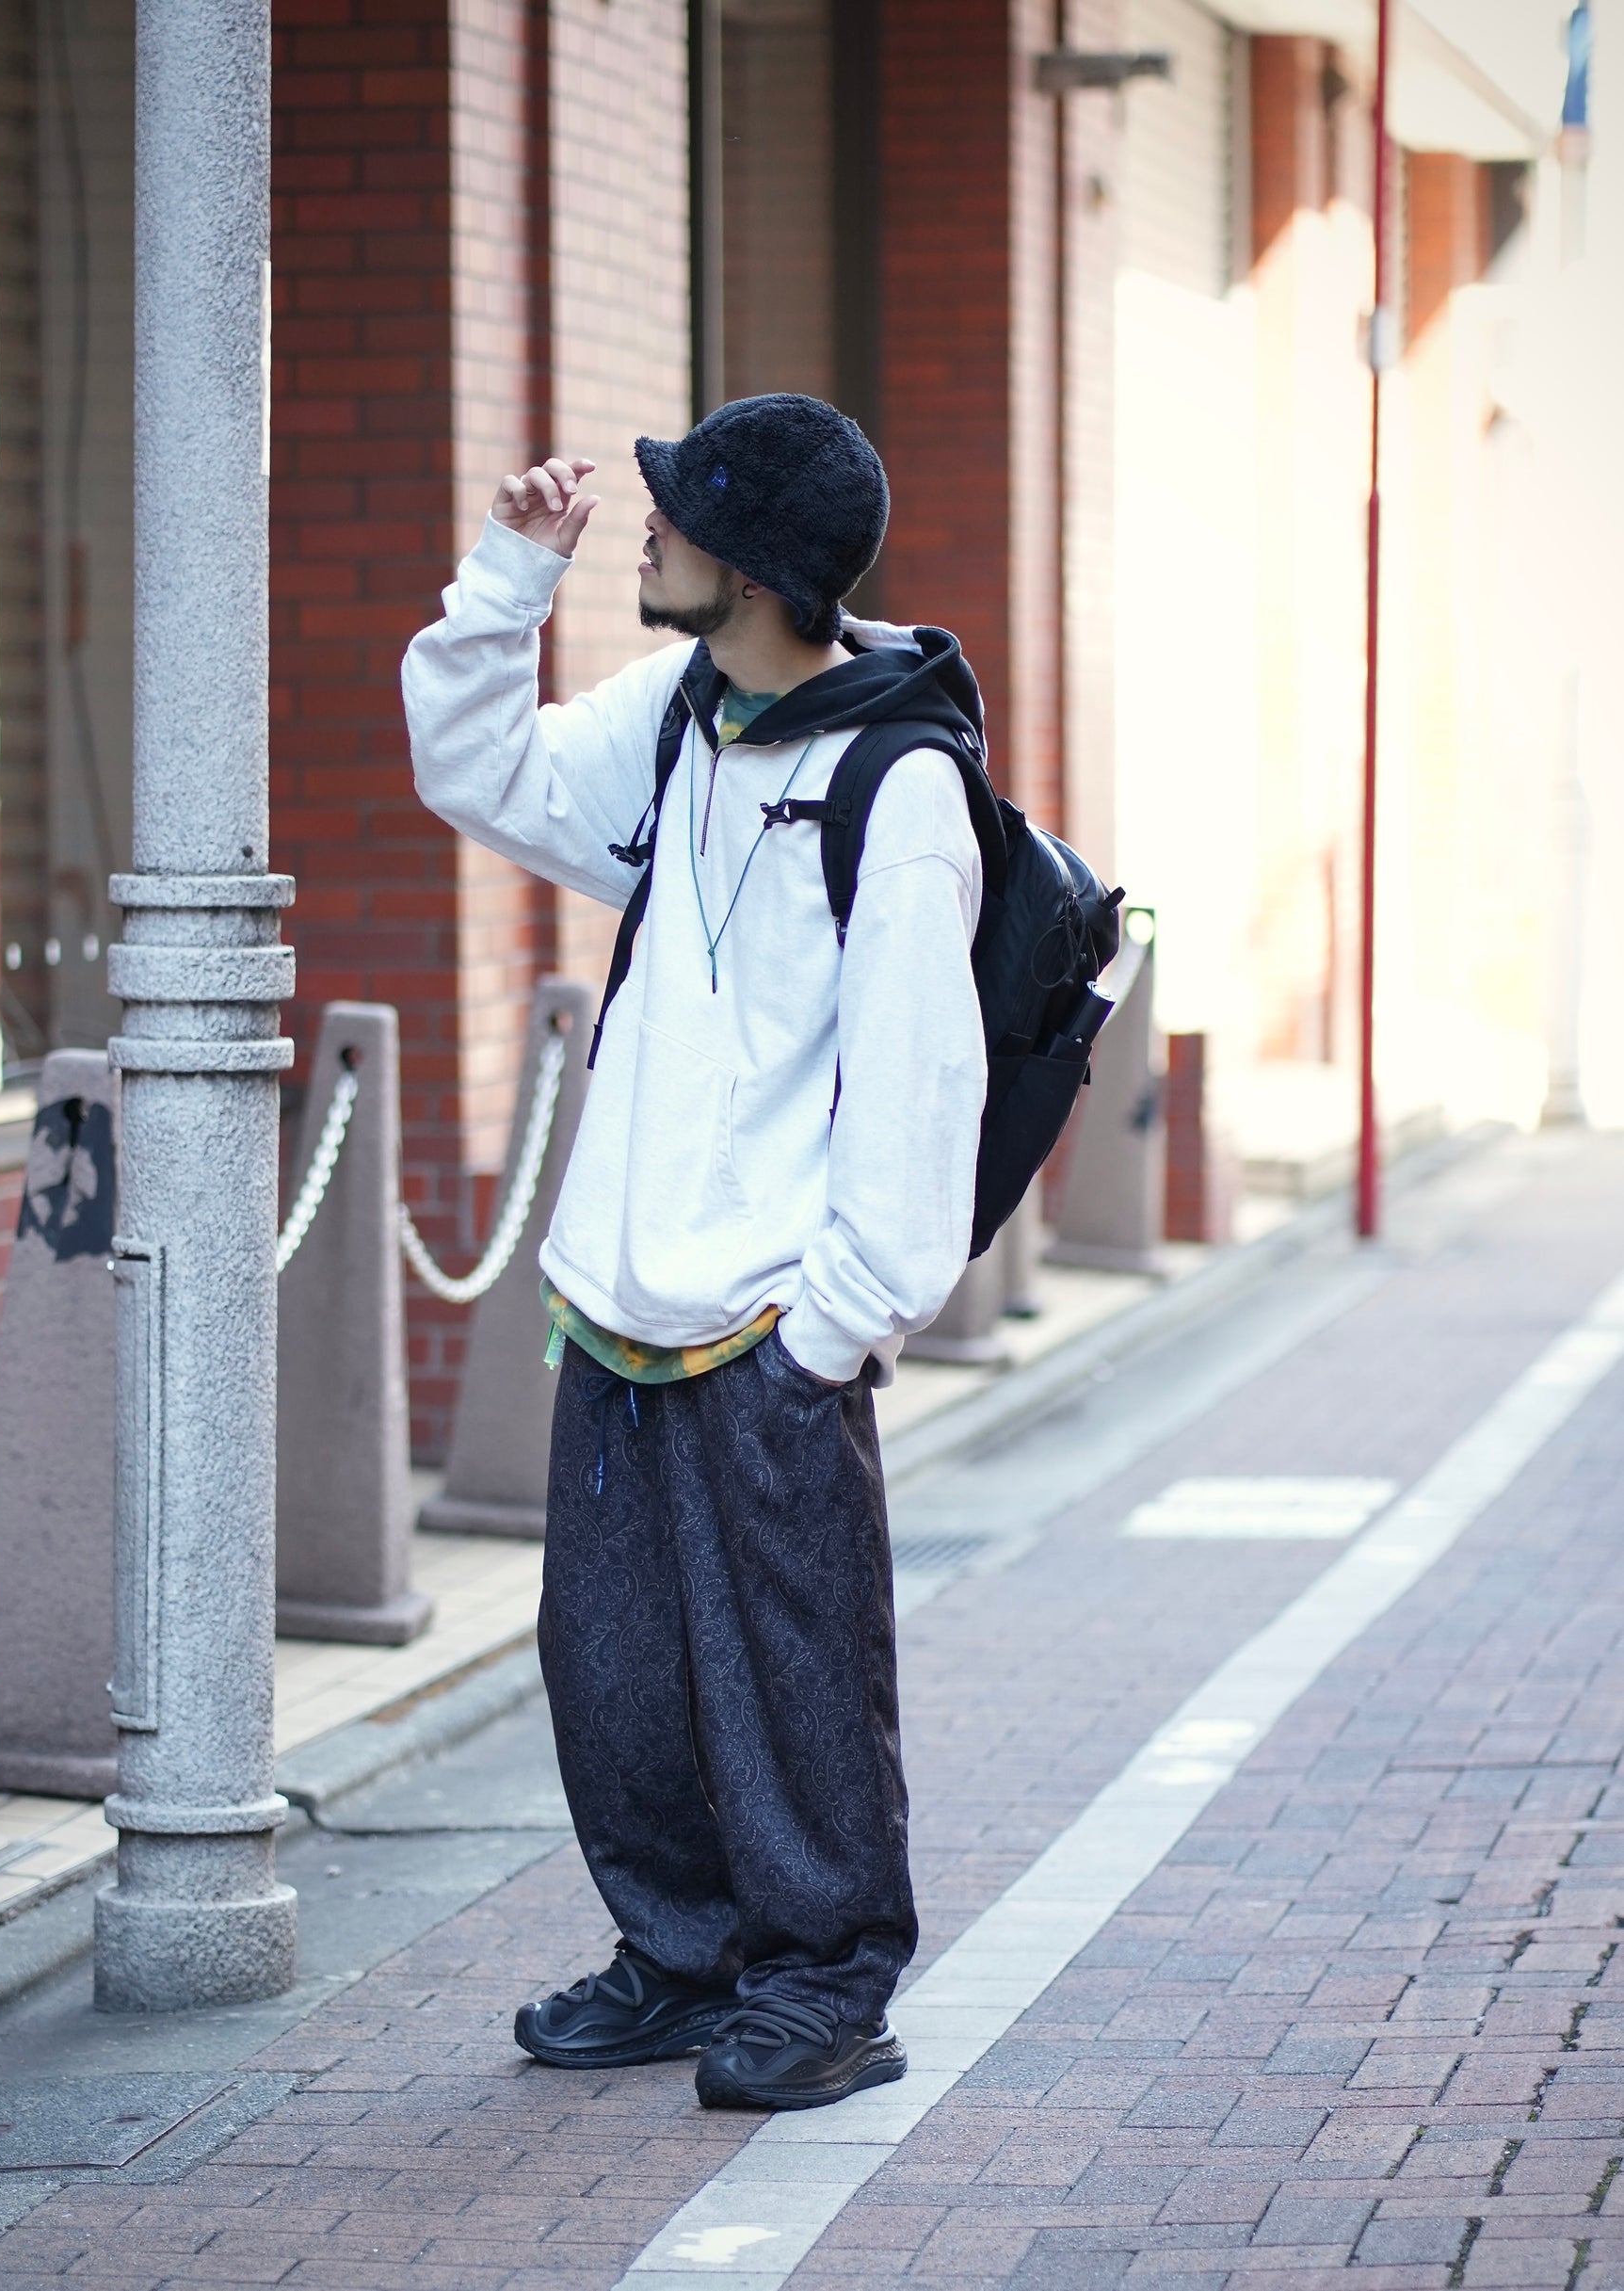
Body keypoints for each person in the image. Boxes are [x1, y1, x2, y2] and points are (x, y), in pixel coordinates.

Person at [401, 394, 987, 2111]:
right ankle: (681, 1957)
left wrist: (833, 1327)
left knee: (795, 1682)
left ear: (760, 566)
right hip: (618, 1304)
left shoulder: (896, 784)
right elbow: (479, 774)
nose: (645, 525)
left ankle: (825, 1981)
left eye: (679, 513)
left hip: (770, 1323)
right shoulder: (679, 716)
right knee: (616, 1675)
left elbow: (917, 1083)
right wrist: (505, 580)